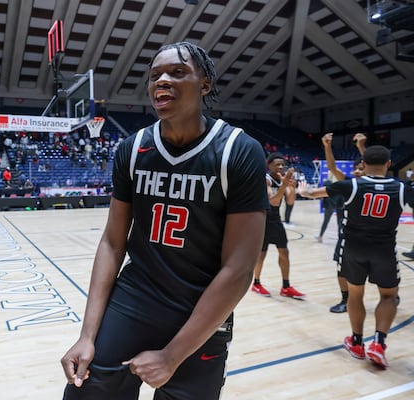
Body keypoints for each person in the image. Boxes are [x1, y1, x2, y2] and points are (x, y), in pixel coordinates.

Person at [60, 41, 269, 400]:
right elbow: (112, 242)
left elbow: (238, 269)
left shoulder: (238, 150)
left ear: (205, 84)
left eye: (177, 72)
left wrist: (172, 356)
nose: (162, 81)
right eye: (155, 75)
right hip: (134, 300)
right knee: (84, 391)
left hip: (202, 310)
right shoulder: (133, 148)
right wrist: (87, 335)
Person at [298, 145, 414, 368]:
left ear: (363, 164)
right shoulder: (401, 188)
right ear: (388, 164)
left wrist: (302, 190)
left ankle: (357, 342)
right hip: (384, 250)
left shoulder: (351, 185)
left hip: (353, 248)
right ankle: (378, 343)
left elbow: (312, 193)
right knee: (388, 297)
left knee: (355, 295)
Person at [320, 132, 366, 313]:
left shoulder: (374, 184)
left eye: (361, 168)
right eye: (355, 168)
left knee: (376, 271)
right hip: (347, 235)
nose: (357, 171)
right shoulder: (347, 184)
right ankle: (346, 300)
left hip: (370, 236)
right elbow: (332, 167)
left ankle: (390, 295)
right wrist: (327, 146)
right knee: (341, 269)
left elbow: (373, 163)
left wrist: (362, 147)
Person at [251, 152, 305, 299]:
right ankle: (256, 283)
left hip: (275, 220)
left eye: (283, 164)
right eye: (277, 164)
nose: (281, 167)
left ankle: (286, 286)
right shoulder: (265, 179)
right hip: (262, 220)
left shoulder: (282, 180)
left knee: (284, 251)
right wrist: (284, 184)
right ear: (269, 166)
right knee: (262, 254)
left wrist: (291, 187)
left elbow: (290, 201)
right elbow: (273, 201)